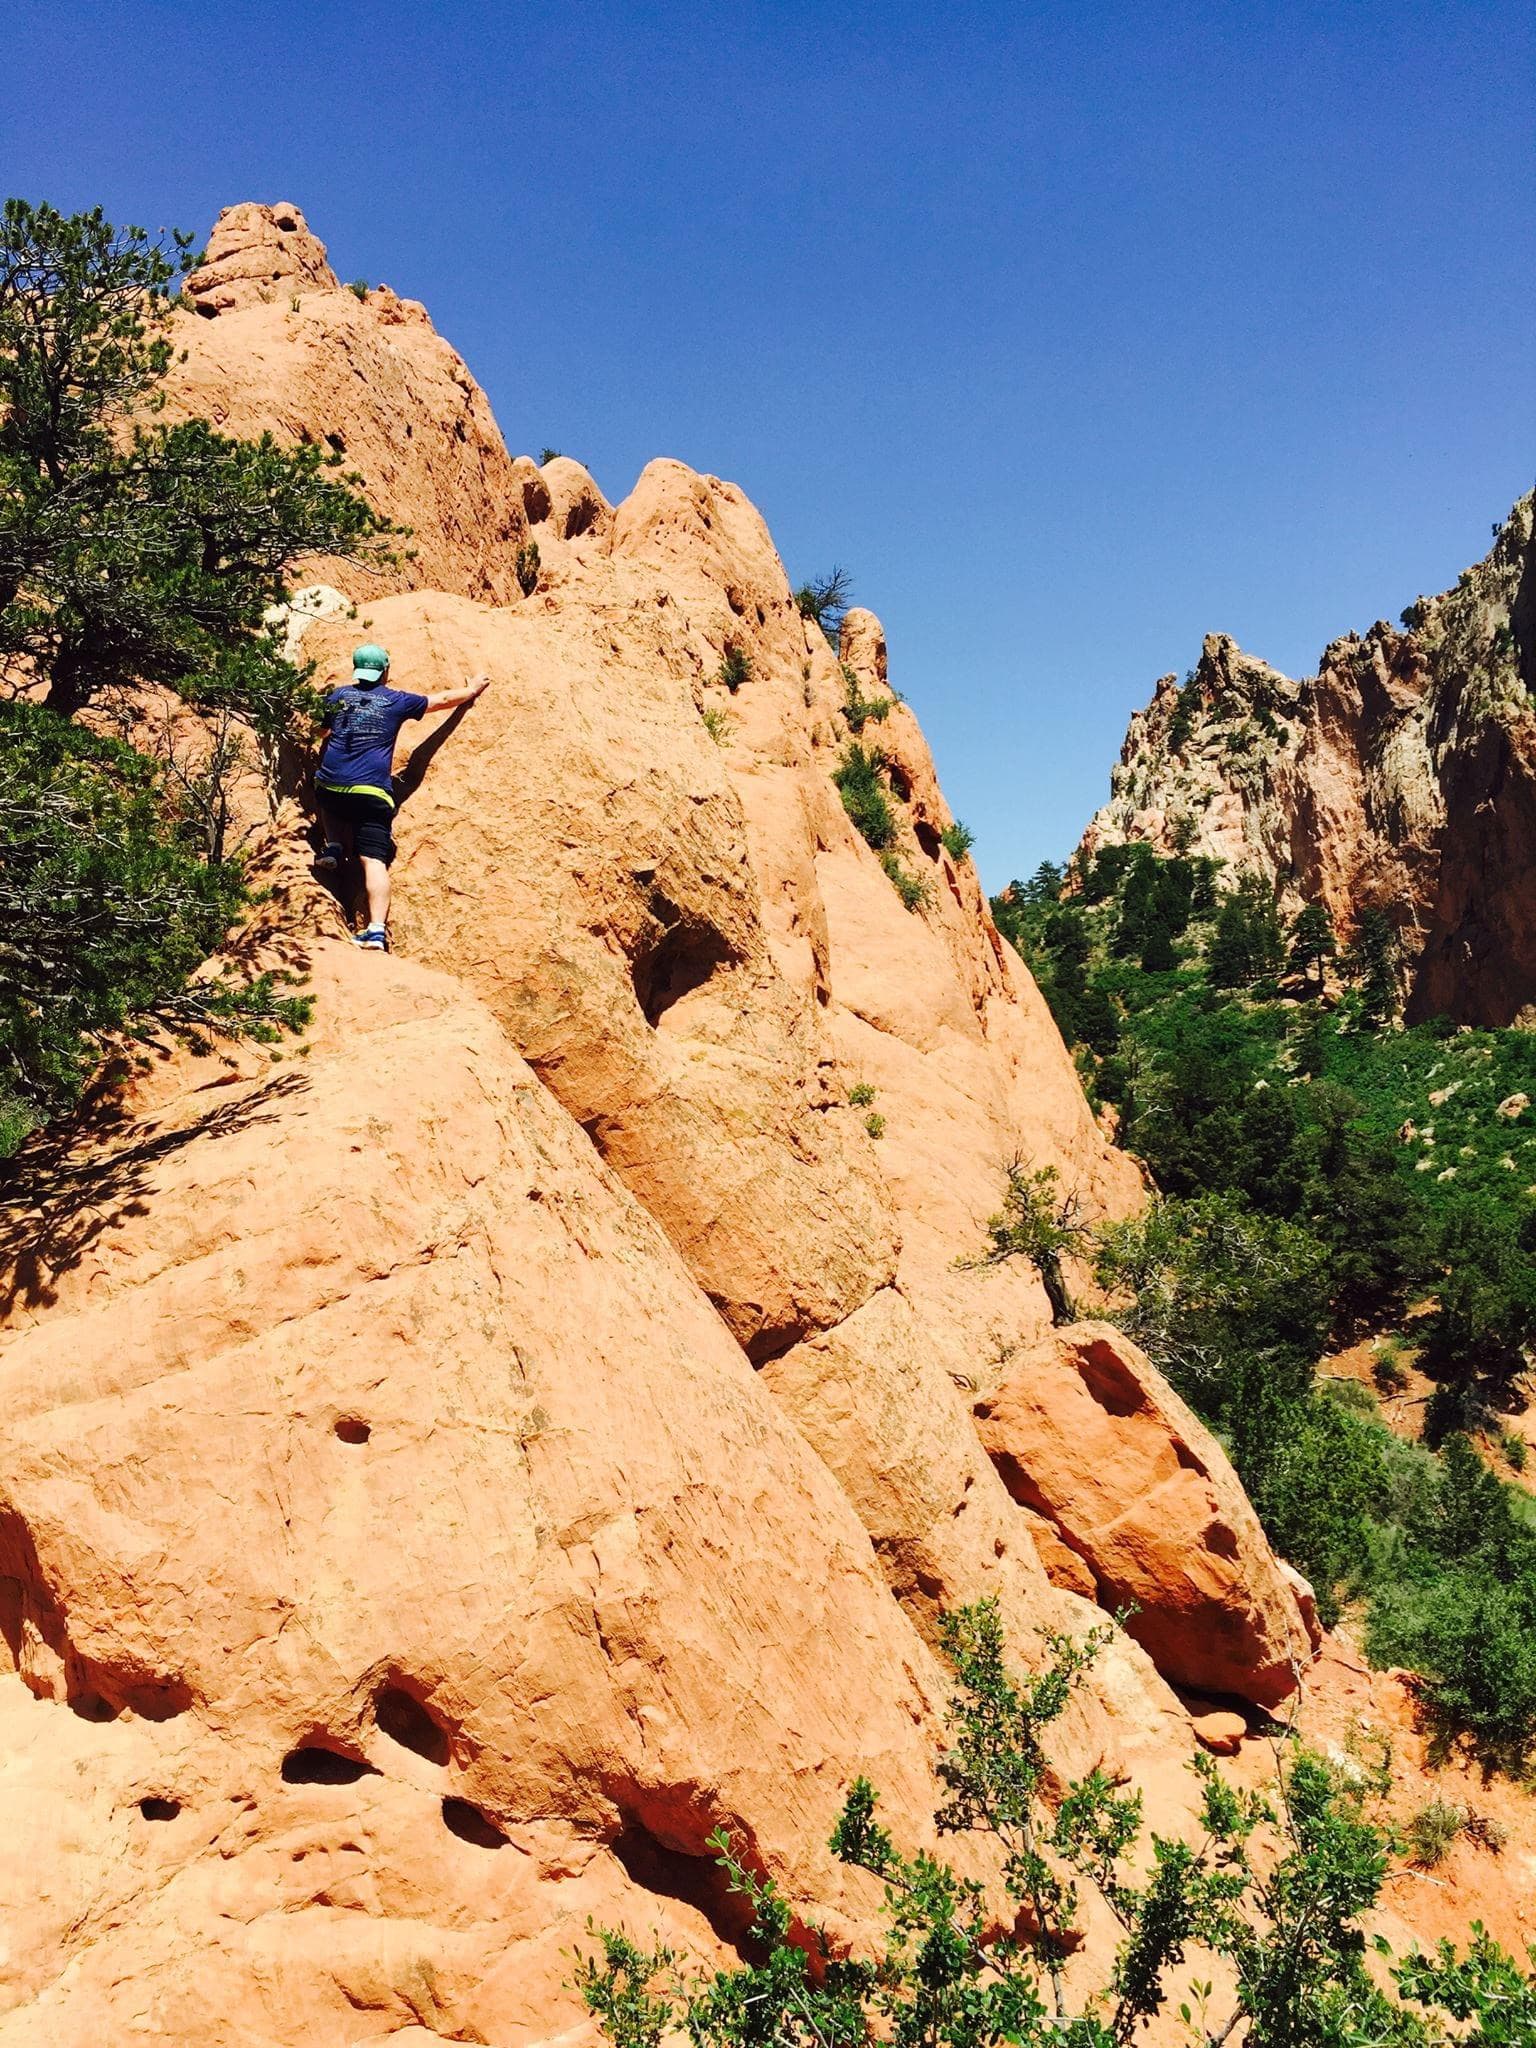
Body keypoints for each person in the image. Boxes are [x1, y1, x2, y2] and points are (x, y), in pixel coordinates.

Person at [313, 642, 489, 950]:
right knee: (373, 861)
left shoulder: (339, 695)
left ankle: (333, 844)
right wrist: (471, 690)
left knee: (326, 789)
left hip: (332, 788)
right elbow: (442, 700)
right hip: (371, 794)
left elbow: (321, 732)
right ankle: (376, 931)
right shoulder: (396, 701)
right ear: (385, 671)